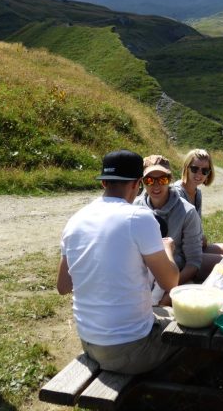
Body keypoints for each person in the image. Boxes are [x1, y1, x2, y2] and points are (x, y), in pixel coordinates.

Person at [56, 150, 180, 374]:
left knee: (162, 315)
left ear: (104, 182)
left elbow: (63, 286)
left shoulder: (75, 220)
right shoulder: (139, 218)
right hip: (130, 349)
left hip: (89, 343)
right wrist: (167, 249)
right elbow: (171, 281)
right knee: (192, 330)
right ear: (138, 184)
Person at [134, 155, 212, 287]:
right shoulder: (134, 208)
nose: (156, 185)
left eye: (162, 179)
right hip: (140, 275)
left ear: (169, 180)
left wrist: (171, 288)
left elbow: (193, 262)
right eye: (149, 180)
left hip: (175, 273)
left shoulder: (188, 212)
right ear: (142, 181)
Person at [172, 148, 223, 261]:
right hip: (182, 255)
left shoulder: (197, 193)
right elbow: (177, 234)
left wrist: (200, 237)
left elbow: (196, 227)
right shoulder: (176, 194)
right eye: (194, 169)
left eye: (204, 170)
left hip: (196, 247)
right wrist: (199, 238)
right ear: (186, 167)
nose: (199, 174)